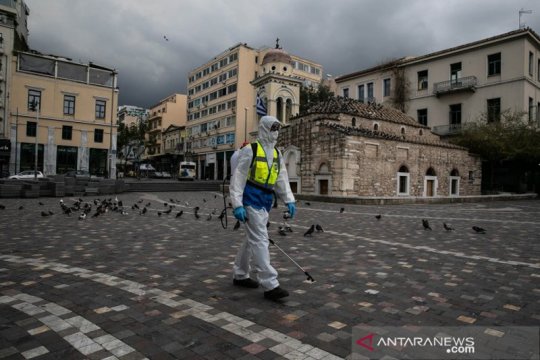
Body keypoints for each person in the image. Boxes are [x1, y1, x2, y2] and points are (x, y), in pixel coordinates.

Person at [229, 115, 296, 301]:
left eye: (277, 129)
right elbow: (238, 178)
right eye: (272, 128)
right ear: (264, 129)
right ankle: (270, 284)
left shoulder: (276, 153)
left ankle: (240, 274)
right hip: (251, 199)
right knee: (260, 240)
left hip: (265, 201)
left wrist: (289, 200)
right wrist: (237, 204)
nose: (275, 133)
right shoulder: (250, 150)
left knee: (252, 239)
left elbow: (282, 178)